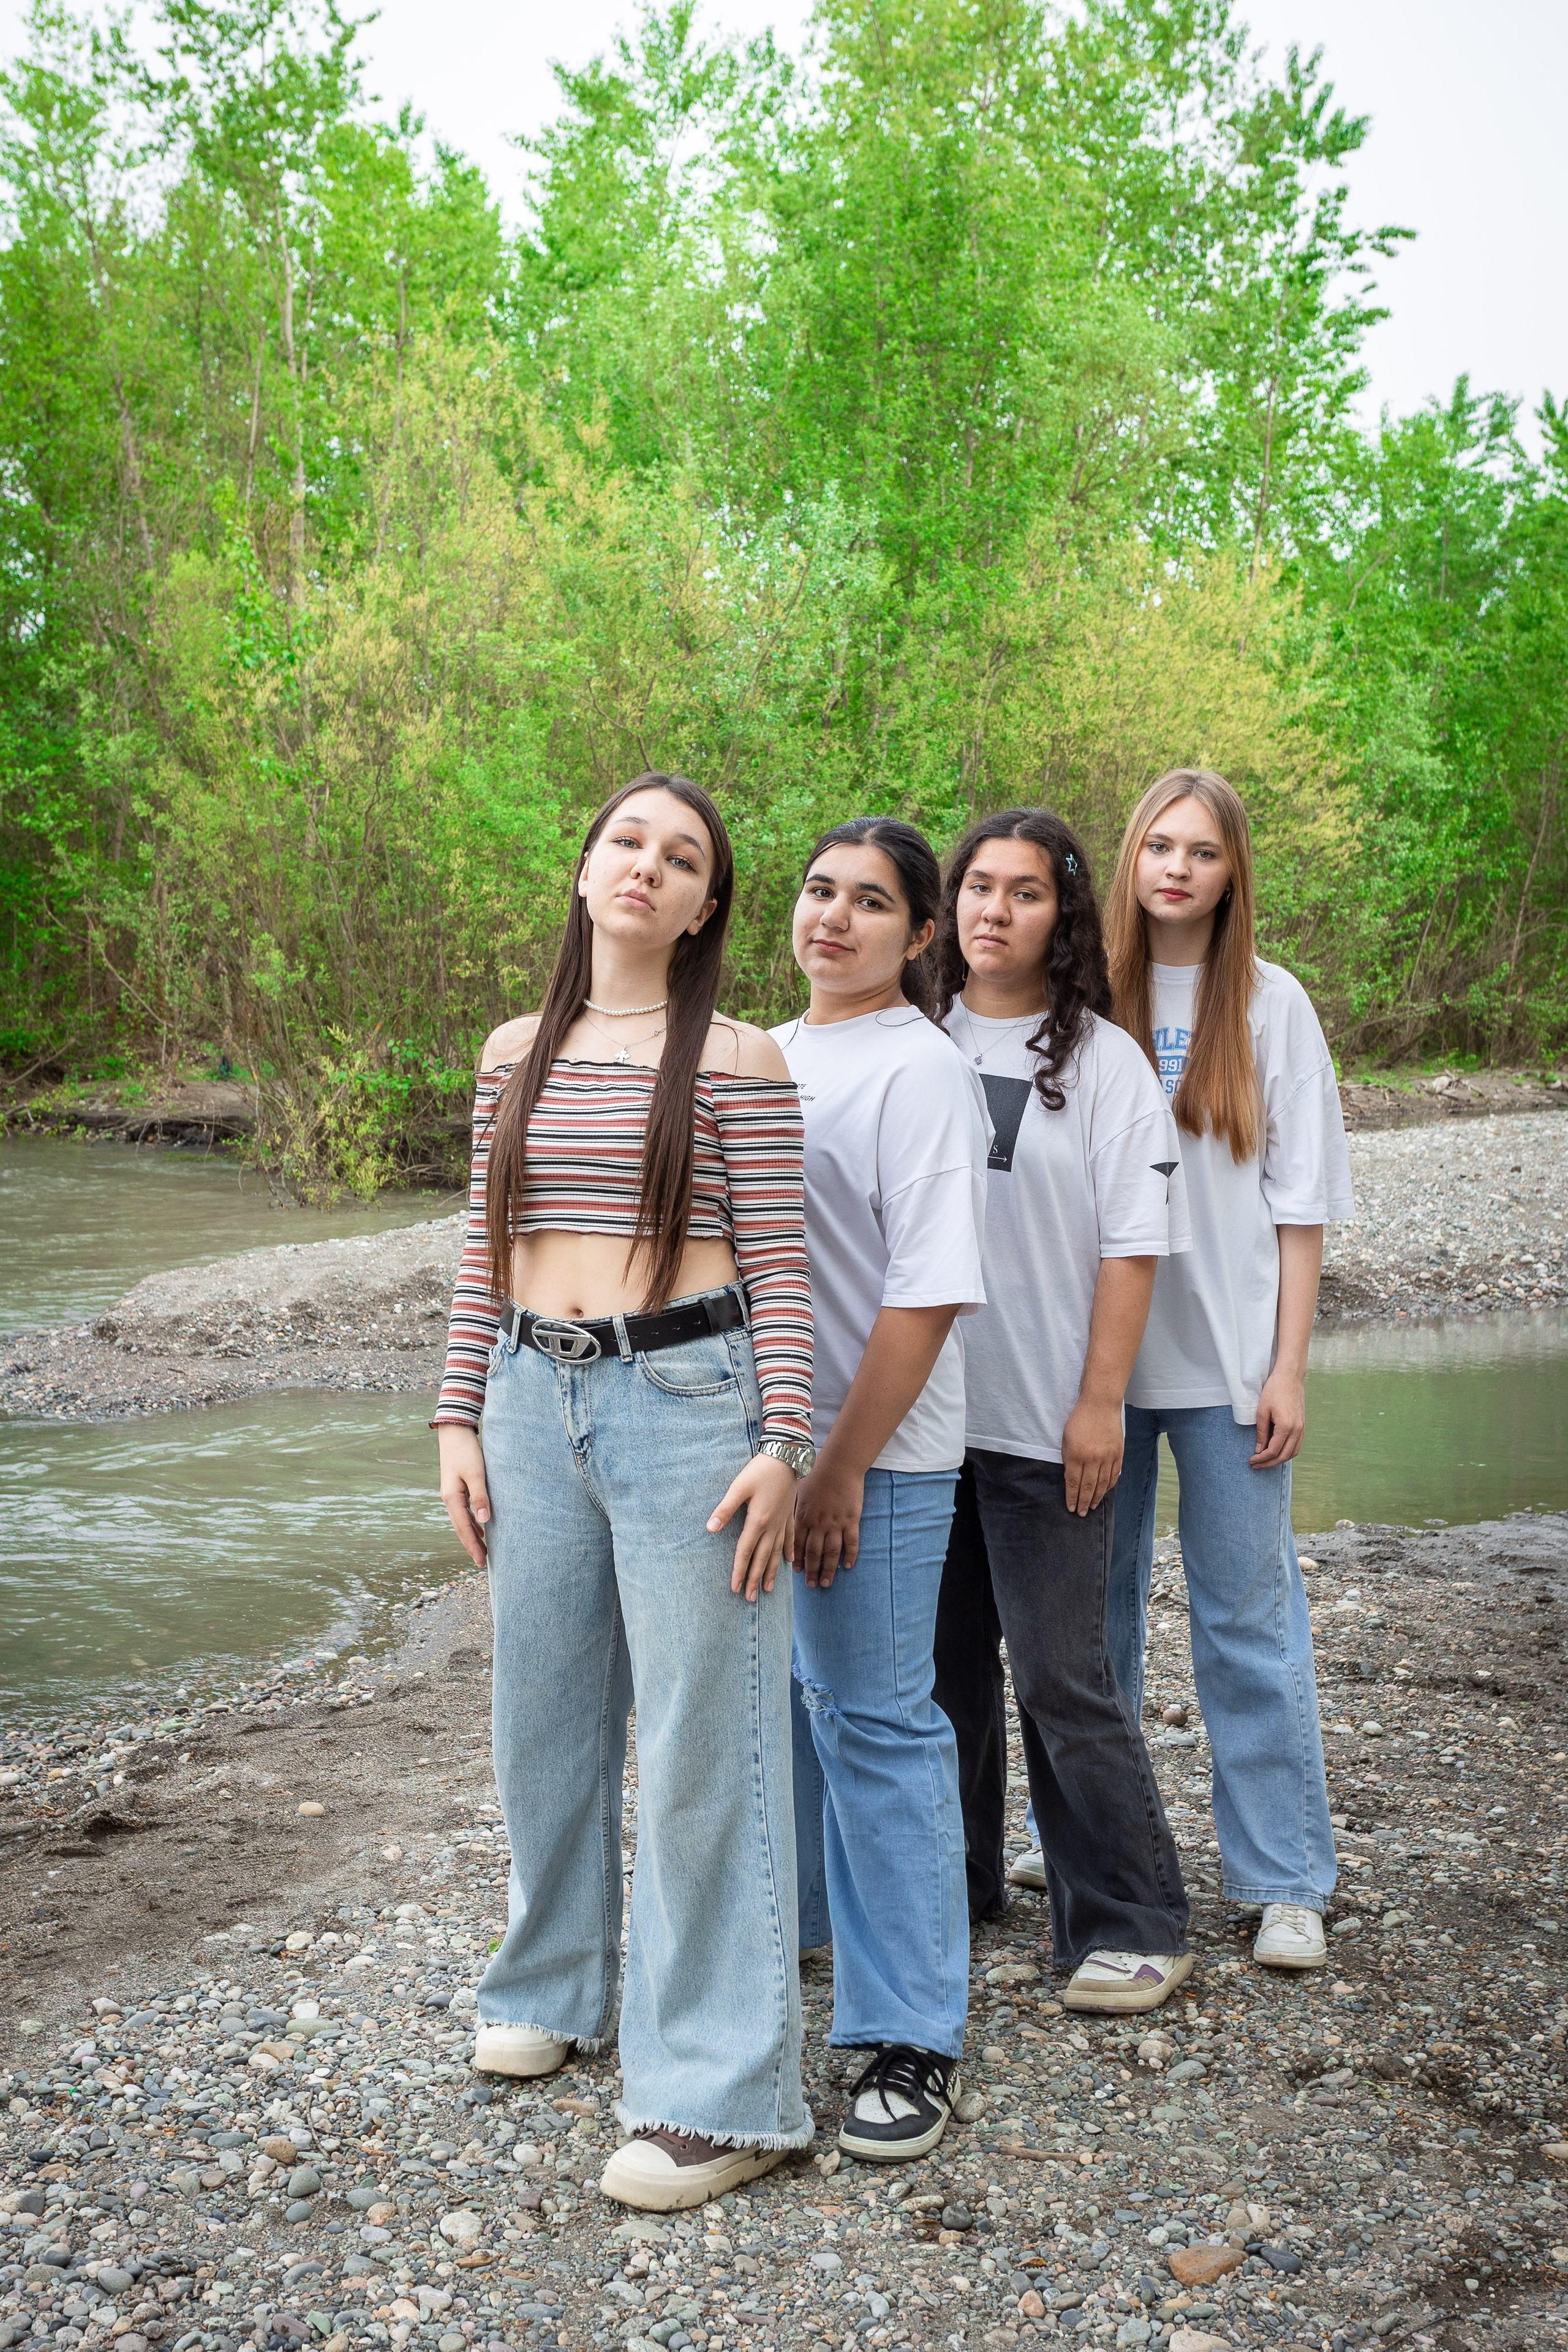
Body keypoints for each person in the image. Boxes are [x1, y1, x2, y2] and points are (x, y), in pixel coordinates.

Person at [432, 772, 818, 2211]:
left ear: (706, 903)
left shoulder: (738, 1060)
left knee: (701, 1739)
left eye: (680, 859)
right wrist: (457, 1414)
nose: (645, 869)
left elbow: (781, 1267)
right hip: (530, 1401)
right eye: (624, 844)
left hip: (686, 1408)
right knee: (541, 1710)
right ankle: (550, 1983)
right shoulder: (510, 1053)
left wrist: (783, 1445)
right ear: (585, 871)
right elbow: (486, 1250)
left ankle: (726, 2096)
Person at [929, 808, 1195, 2015]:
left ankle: (1132, 1914)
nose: (995, 910)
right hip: (920, 1425)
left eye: (1023, 892)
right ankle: (961, 1883)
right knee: (940, 1680)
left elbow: (1132, 1252)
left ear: (1061, 915)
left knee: (1058, 1675)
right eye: (977, 887)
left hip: (1045, 1424)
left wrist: (1099, 1406)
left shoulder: (1100, 1062)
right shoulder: (911, 1034)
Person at [1102, 767, 1355, 1972]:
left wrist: (1287, 1369)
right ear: (1130, 857)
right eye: (1159, 845)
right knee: (1085, 1630)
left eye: (1200, 852)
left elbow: (1298, 1205)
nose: (1176, 869)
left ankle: (1282, 1878)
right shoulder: (1081, 995)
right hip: (1089, 1371)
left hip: (1226, 1365)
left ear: (1229, 871)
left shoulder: (1268, 1004)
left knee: (1244, 1620)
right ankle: (1099, 1842)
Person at [771, 816, 990, 2163]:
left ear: (919, 937)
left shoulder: (917, 1069)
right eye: (814, 891)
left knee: (876, 1721)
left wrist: (841, 1467)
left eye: (868, 902)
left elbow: (926, 1292)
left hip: (880, 1460)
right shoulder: (768, 1054)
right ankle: (814, 1948)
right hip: (771, 1454)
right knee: (805, 1715)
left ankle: (912, 2033)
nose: (831, 918)